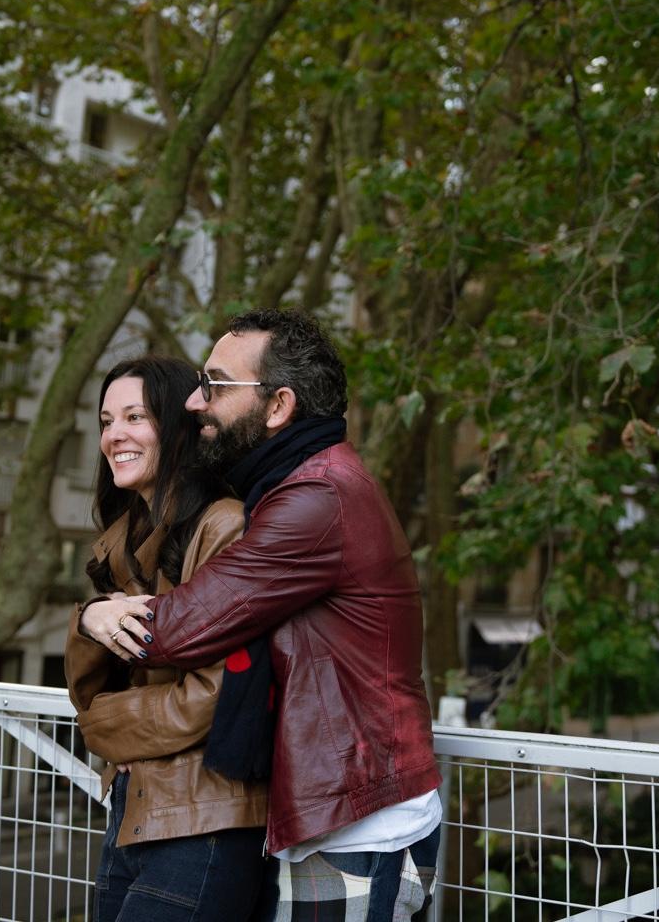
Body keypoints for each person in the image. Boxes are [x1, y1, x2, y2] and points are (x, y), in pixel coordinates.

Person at [79, 309, 443, 921]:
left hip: (361, 823)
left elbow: (180, 628)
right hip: (331, 811)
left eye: (216, 385)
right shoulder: (292, 485)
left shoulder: (317, 497)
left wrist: (95, 617)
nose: (194, 402)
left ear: (278, 406)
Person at [63, 355, 268, 922]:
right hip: (133, 807)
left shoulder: (225, 525)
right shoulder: (122, 539)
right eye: (106, 421)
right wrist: (90, 619)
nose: (114, 435)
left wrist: (106, 730)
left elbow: (215, 693)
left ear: (179, 427)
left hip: (205, 817)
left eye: (135, 417)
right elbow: (88, 689)